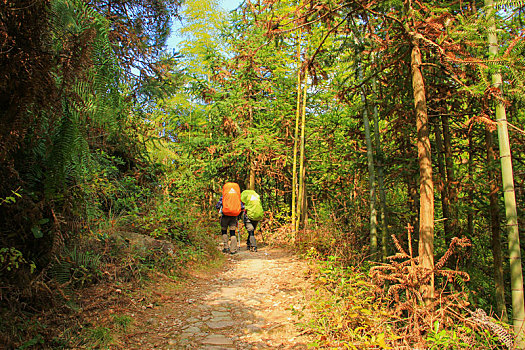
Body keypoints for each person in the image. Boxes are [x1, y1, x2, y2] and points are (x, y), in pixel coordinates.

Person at [216, 182, 243, 254]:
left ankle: (226, 247)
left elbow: (218, 205)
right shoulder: (236, 197)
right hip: (234, 216)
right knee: (232, 232)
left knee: (224, 230)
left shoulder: (224, 197)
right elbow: (242, 207)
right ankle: (233, 249)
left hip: (225, 216)